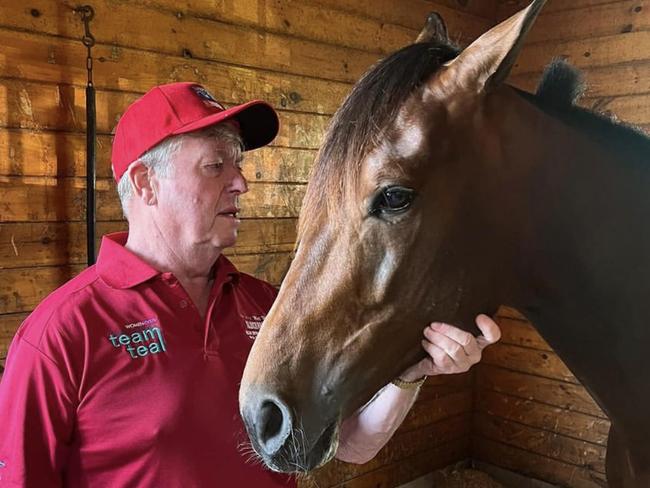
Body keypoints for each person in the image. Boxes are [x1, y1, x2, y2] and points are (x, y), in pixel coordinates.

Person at [0, 82, 501, 487]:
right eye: (216, 165)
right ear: (146, 183)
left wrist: (411, 373)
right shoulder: (62, 334)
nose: (241, 183)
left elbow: (350, 446)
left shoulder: (268, 304)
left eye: (238, 164)